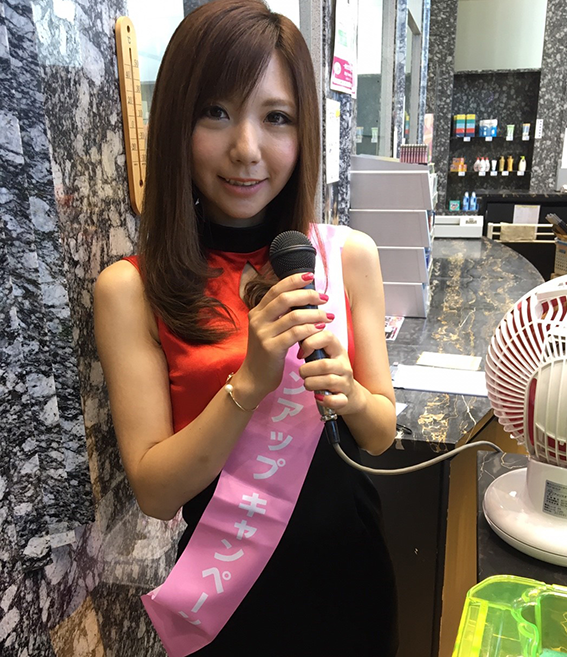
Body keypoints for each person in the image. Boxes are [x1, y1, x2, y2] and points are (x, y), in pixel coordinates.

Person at [94, 1, 398, 654]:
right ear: (177, 123)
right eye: (216, 112)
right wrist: (249, 384)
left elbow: (380, 434)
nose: (247, 149)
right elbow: (155, 491)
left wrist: (350, 392)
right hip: (231, 602)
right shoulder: (131, 289)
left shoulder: (347, 257)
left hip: (353, 579)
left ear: (303, 131)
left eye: (276, 117)